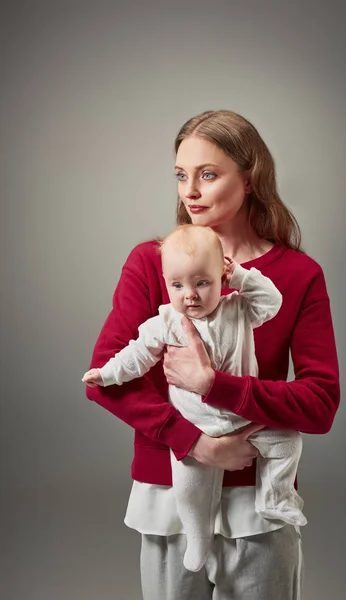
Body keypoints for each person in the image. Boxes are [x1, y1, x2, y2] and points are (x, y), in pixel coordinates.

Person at [85, 109, 340, 600]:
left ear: (249, 178)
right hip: (169, 492)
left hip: (259, 500)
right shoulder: (152, 263)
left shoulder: (296, 275)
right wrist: (196, 444)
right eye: (181, 175)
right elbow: (107, 378)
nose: (190, 191)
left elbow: (321, 403)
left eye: (208, 174)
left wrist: (214, 386)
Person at [82, 224, 307, 573]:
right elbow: (136, 355)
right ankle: (198, 535)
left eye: (202, 283)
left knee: (288, 441)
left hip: (244, 418)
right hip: (194, 425)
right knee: (188, 489)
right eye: (178, 285)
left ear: (222, 276)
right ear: (166, 281)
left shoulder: (238, 308)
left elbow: (272, 301)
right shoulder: (166, 320)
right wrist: (107, 374)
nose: (190, 295)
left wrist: (243, 277)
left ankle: (275, 498)